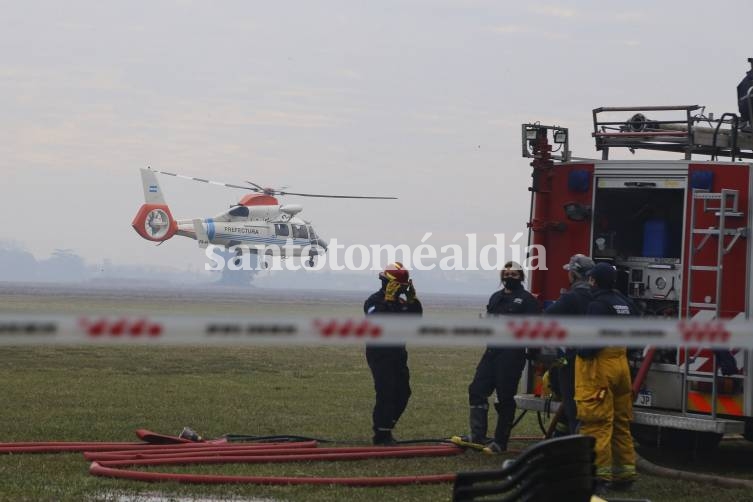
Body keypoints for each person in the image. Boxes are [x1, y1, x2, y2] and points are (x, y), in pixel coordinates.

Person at [457, 261, 541, 454]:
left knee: (504, 398)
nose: (509, 278)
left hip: (511, 355)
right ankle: (477, 435)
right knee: (477, 390)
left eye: (514, 275)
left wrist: (534, 352)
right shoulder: (496, 298)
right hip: (492, 352)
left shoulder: (527, 300)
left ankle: (500, 442)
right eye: (506, 274)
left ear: (521, 277)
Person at [576, 262, 638, 492]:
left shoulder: (597, 305)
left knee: (597, 423)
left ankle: (597, 478)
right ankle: (625, 476)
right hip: (621, 364)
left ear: (594, 280)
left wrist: (580, 350)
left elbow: (592, 340)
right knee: (621, 423)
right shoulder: (624, 303)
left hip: (600, 367)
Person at [364, 262, 422, 445]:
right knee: (386, 392)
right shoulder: (374, 302)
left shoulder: (402, 303)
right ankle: (381, 434)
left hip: (398, 352)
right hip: (380, 354)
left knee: (403, 392)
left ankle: (386, 427)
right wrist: (388, 301)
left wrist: (413, 301)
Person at [544, 253, 595, 436]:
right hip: (597, 362)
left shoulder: (572, 297)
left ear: (574, 274)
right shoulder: (599, 296)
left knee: (573, 405)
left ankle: (575, 446)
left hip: (571, 360)